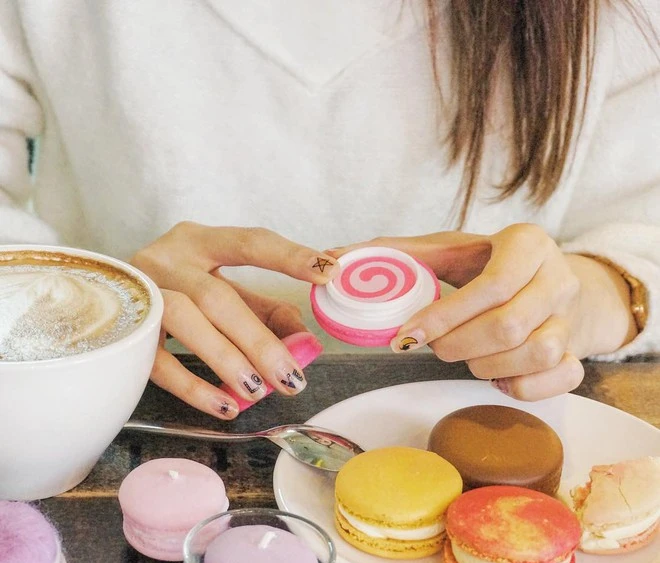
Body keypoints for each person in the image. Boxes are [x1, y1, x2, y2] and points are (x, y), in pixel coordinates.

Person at [1, 1, 658, 417]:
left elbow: (641, 230)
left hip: (483, 425)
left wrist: (583, 299)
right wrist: (103, 303)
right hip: (132, 419)